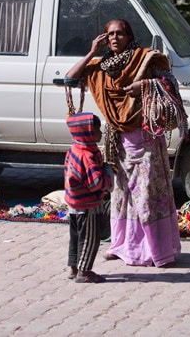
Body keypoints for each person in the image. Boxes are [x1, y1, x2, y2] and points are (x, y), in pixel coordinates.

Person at [65, 19, 182, 267]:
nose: (115, 38)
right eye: (110, 35)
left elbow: (171, 84)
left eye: (119, 34)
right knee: (123, 195)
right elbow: (70, 79)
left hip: (146, 137)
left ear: (129, 36)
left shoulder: (146, 59)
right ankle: (123, 246)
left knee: (148, 195)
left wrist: (146, 85)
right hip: (118, 141)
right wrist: (92, 52)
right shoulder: (100, 67)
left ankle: (155, 250)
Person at [64, 112, 112, 283]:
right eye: (97, 131)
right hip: (88, 205)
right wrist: (108, 177)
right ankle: (84, 272)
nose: (100, 134)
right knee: (90, 239)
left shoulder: (74, 150)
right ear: (87, 133)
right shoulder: (88, 156)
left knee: (76, 236)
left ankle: (73, 267)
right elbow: (96, 183)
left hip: (74, 203)